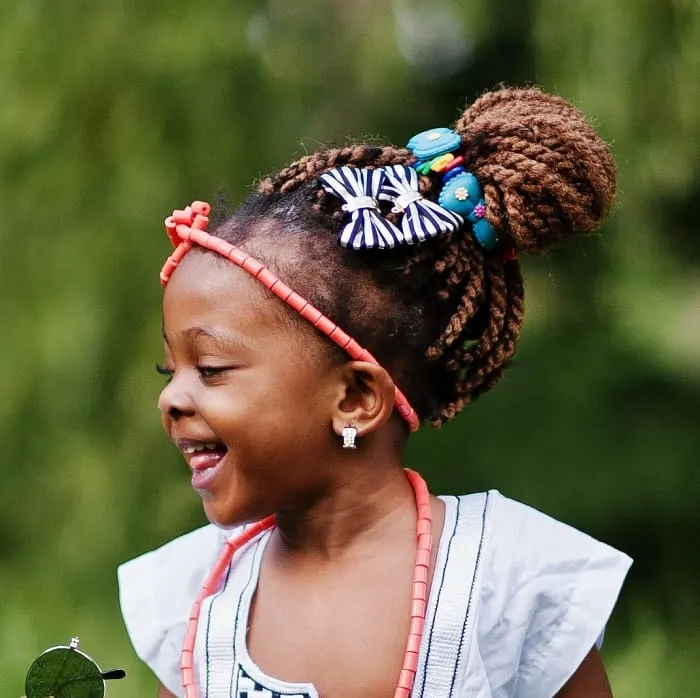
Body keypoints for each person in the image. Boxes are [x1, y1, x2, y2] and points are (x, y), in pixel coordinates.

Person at [118, 86, 632, 698]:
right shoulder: (197, 600)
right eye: (167, 370)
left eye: (212, 369)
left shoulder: (508, 584)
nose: (171, 399)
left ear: (356, 399)